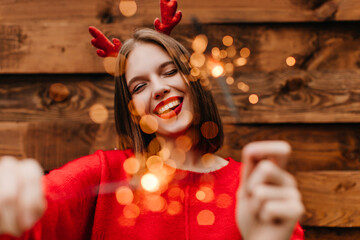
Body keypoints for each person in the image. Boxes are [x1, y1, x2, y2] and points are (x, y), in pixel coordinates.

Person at [0, 28, 304, 240]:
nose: (159, 88)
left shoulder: (248, 186)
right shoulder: (103, 174)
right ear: (132, 108)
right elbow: (38, 212)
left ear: (193, 80)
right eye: (140, 86)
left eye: (170, 71)